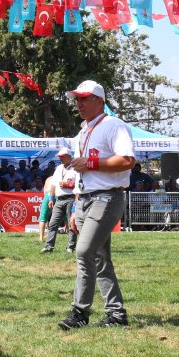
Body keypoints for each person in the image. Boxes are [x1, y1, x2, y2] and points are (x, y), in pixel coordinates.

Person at [59, 81, 135, 330]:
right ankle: (117, 314)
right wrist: (75, 206)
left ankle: (80, 312)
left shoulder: (114, 125)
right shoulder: (82, 132)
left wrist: (90, 163)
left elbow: (128, 160)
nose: (78, 103)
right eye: (77, 99)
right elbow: (83, 172)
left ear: (99, 101)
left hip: (107, 197)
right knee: (99, 257)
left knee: (83, 252)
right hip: (86, 198)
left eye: (84, 98)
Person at [42, 147, 79, 253]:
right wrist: (51, 198)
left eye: (62, 156)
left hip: (71, 198)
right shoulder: (58, 168)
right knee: (53, 223)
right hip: (59, 199)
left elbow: (79, 185)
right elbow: (53, 184)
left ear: (68, 156)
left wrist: (68, 185)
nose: (60, 158)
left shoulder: (75, 168)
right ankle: (49, 246)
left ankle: (71, 247)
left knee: (71, 223)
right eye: (59, 156)